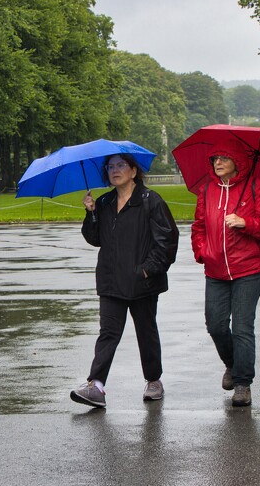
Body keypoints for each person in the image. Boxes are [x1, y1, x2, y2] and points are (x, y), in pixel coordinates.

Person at [70, 153, 179, 408]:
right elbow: (95, 238)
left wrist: (146, 270)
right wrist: (91, 213)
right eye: (110, 166)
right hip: (110, 280)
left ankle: (154, 380)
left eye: (121, 165)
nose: (114, 170)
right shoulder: (105, 201)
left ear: (133, 170)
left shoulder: (151, 201)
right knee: (108, 333)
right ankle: (95, 385)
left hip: (142, 282)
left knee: (146, 331)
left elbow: (167, 242)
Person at [191, 151, 260, 407]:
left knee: (242, 327)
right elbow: (198, 226)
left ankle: (242, 384)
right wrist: (202, 252)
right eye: (214, 159)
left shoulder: (255, 187)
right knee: (216, 326)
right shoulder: (207, 191)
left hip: (249, 269)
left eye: (223, 158)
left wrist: (246, 222)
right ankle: (232, 364)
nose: (217, 163)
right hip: (215, 270)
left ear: (237, 162)